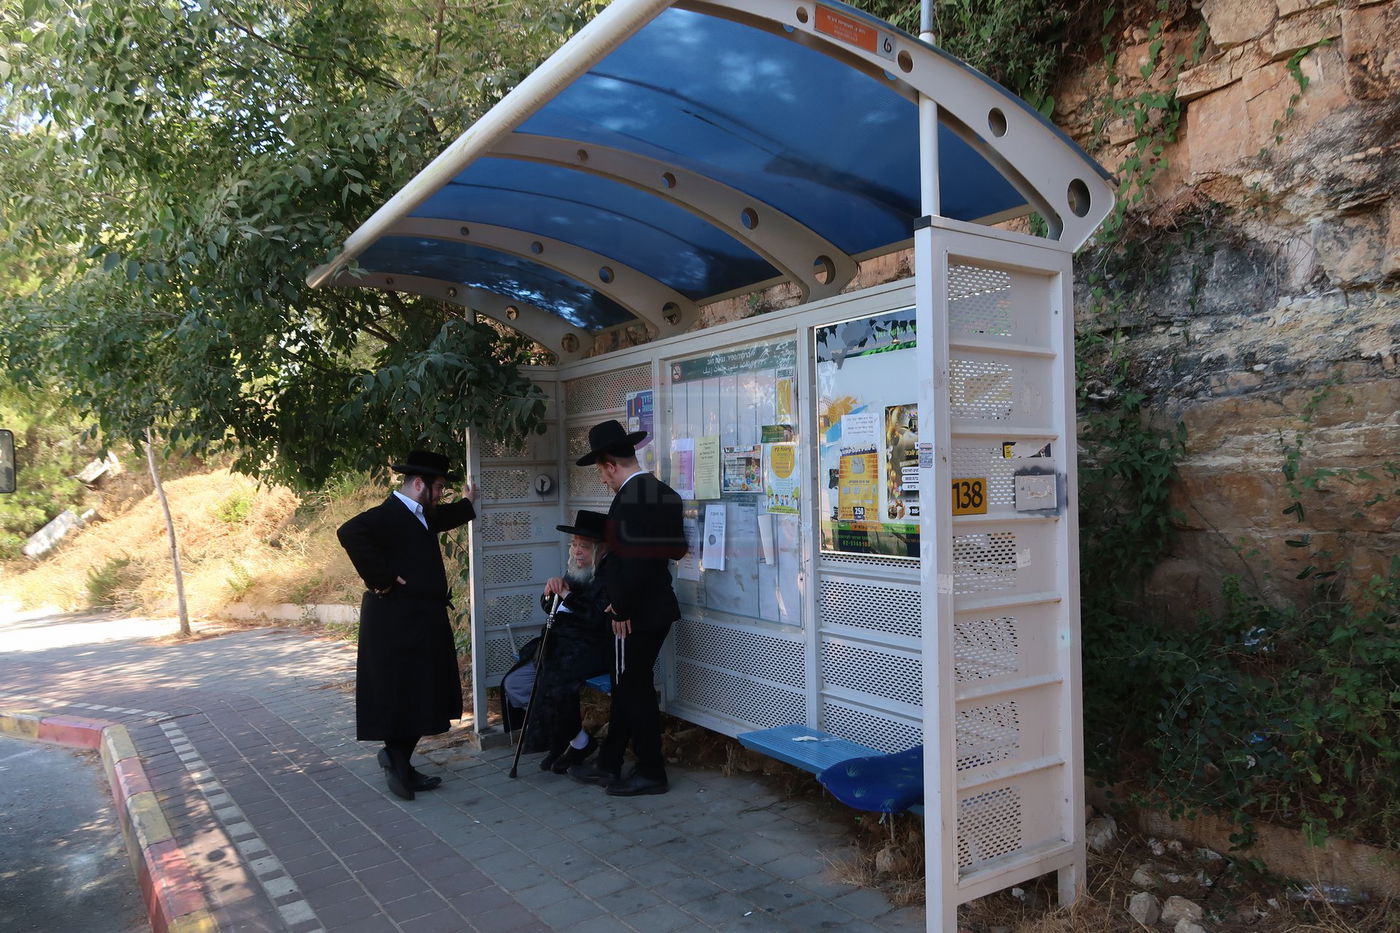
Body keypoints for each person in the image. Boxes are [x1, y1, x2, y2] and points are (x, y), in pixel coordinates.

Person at [336, 450, 479, 801]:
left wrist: (466, 503)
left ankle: (399, 760)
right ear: (419, 484)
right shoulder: (389, 514)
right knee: (403, 692)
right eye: (439, 488)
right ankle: (398, 764)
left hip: (420, 619)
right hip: (395, 621)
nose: (441, 494)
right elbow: (349, 532)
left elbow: (440, 518)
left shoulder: (419, 514)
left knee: (421, 692)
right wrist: (381, 578)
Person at [567, 420, 687, 796]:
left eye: (601, 471)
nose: (603, 480)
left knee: (632, 689)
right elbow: (674, 550)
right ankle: (609, 761)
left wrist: (619, 608)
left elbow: (630, 563)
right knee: (628, 685)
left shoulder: (629, 501)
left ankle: (651, 770)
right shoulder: (664, 493)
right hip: (657, 607)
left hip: (633, 615)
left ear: (608, 463)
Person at [499, 509, 611, 774]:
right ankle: (577, 740)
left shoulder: (608, 575)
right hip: (560, 646)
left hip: (594, 648)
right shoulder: (575, 570)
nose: (576, 552)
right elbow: (552, 608)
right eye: (574, 545)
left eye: (584, 546)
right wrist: (550, 593)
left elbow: (597, 618)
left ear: (601, 548)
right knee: (515, 684)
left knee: (554, 681)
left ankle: (569, 743)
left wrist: (568, 596)